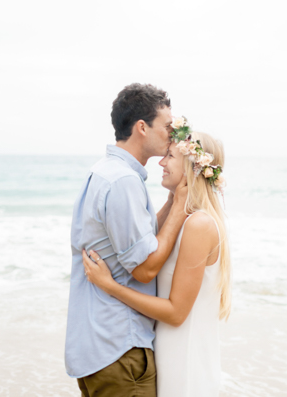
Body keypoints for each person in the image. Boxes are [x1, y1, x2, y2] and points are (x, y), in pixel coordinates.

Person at [84, 120, 231, 397]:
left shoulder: (199, 225)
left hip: (185, 363)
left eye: (170, 156)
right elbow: (150, 247)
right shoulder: (182, 219)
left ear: (192, 167)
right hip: (166, 354)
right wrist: (174, 199)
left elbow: (176, 313)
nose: (161, 163)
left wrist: (111, 286)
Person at [65, 84, 189, 397]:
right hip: (120, 348)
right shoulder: (122, 182)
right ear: (142, 128)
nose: (172, 134)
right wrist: (181, 204)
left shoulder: (105, 172)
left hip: (99, 343)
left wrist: (175, 197)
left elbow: (140, 239)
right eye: (167, 126)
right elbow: (145, 269)